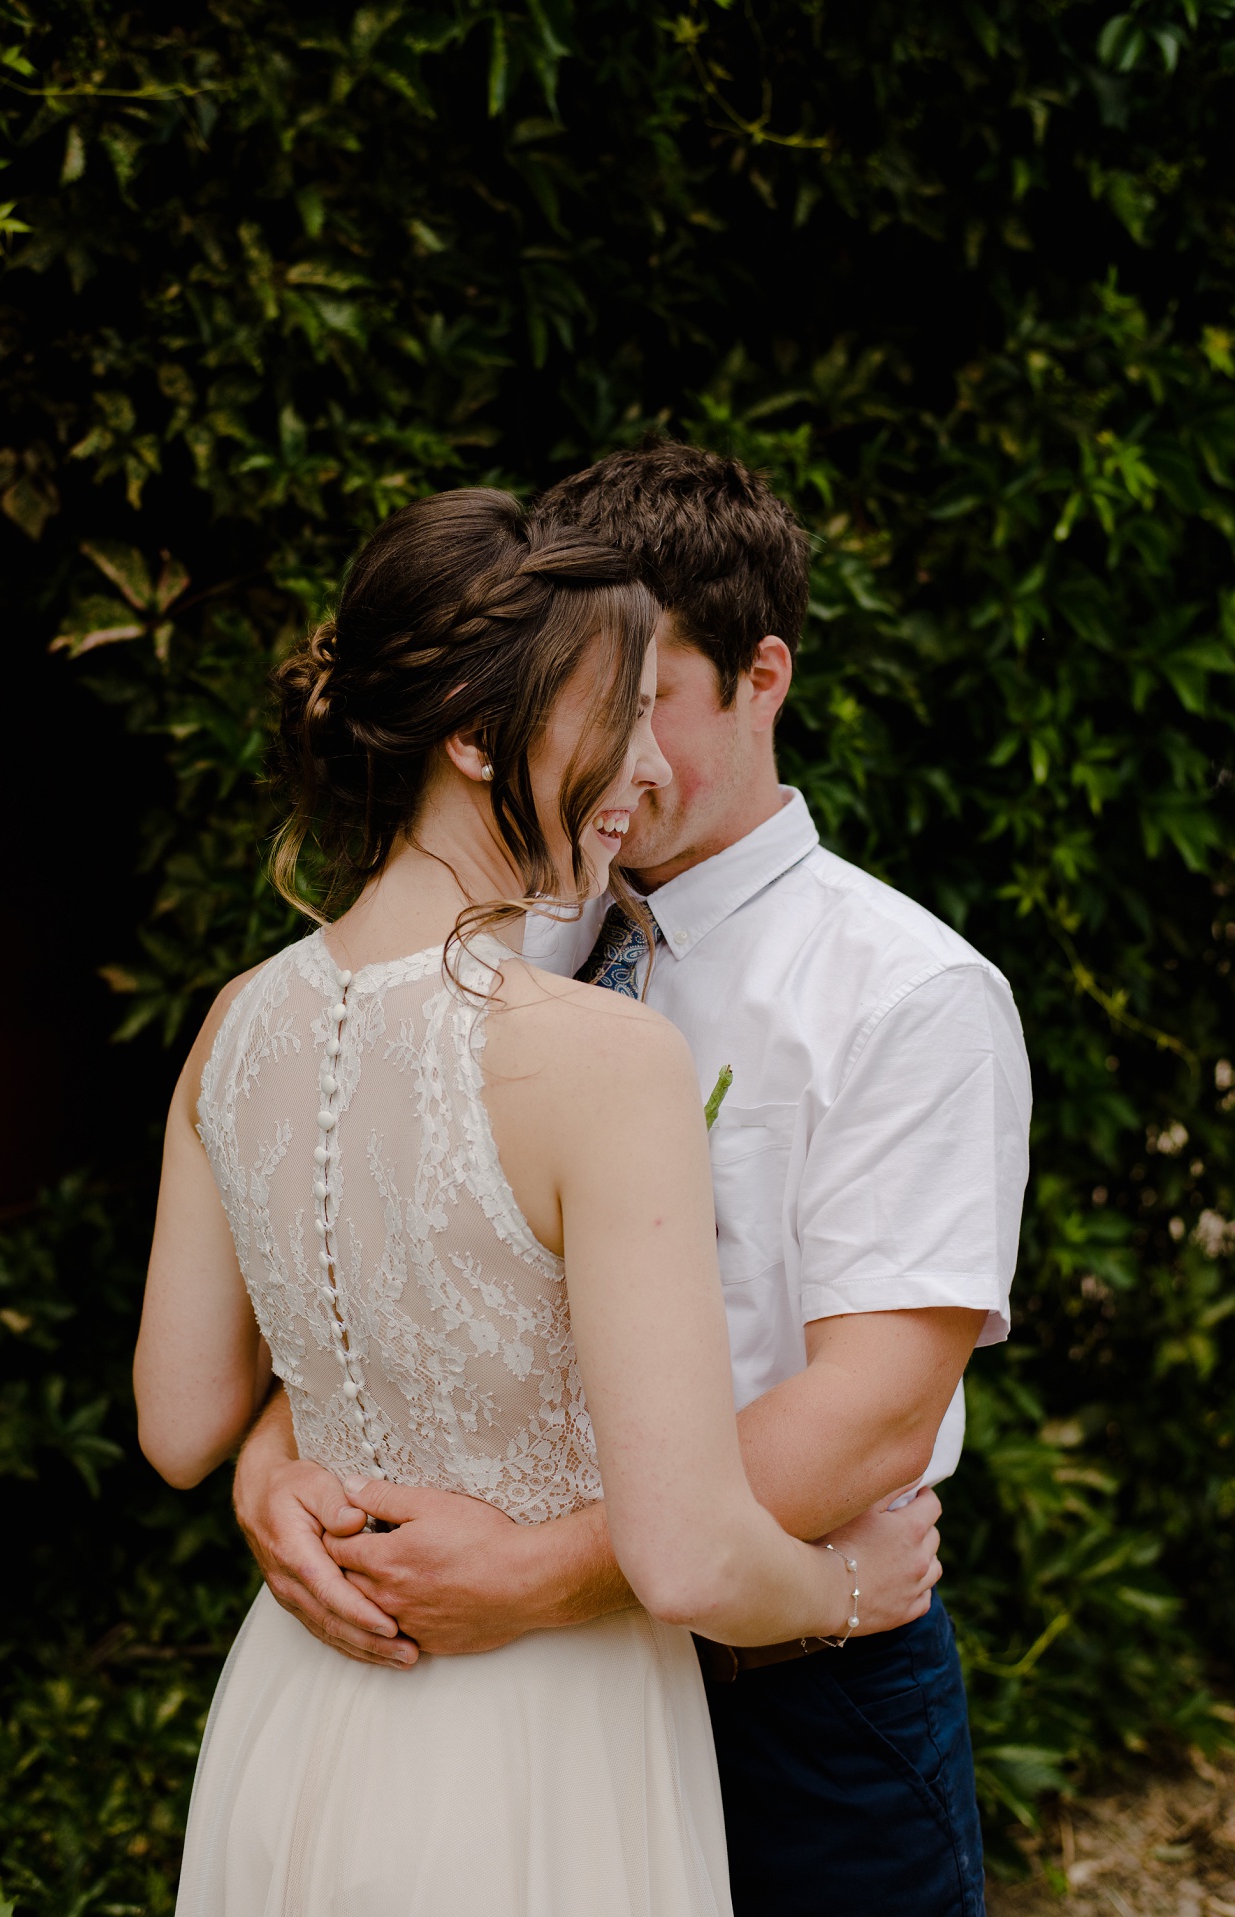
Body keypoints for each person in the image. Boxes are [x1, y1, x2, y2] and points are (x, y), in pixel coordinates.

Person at [233, 445, 1032, 1917]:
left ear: (765, 675)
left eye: (647, 694)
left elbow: (870, 1413)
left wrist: (535, 1575)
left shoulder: (908, 990)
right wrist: (272, 1477)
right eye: (585, 701)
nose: (625, 754)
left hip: (799, 1690)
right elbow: (413, 1274)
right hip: (528, 1705)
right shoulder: (504, 948)